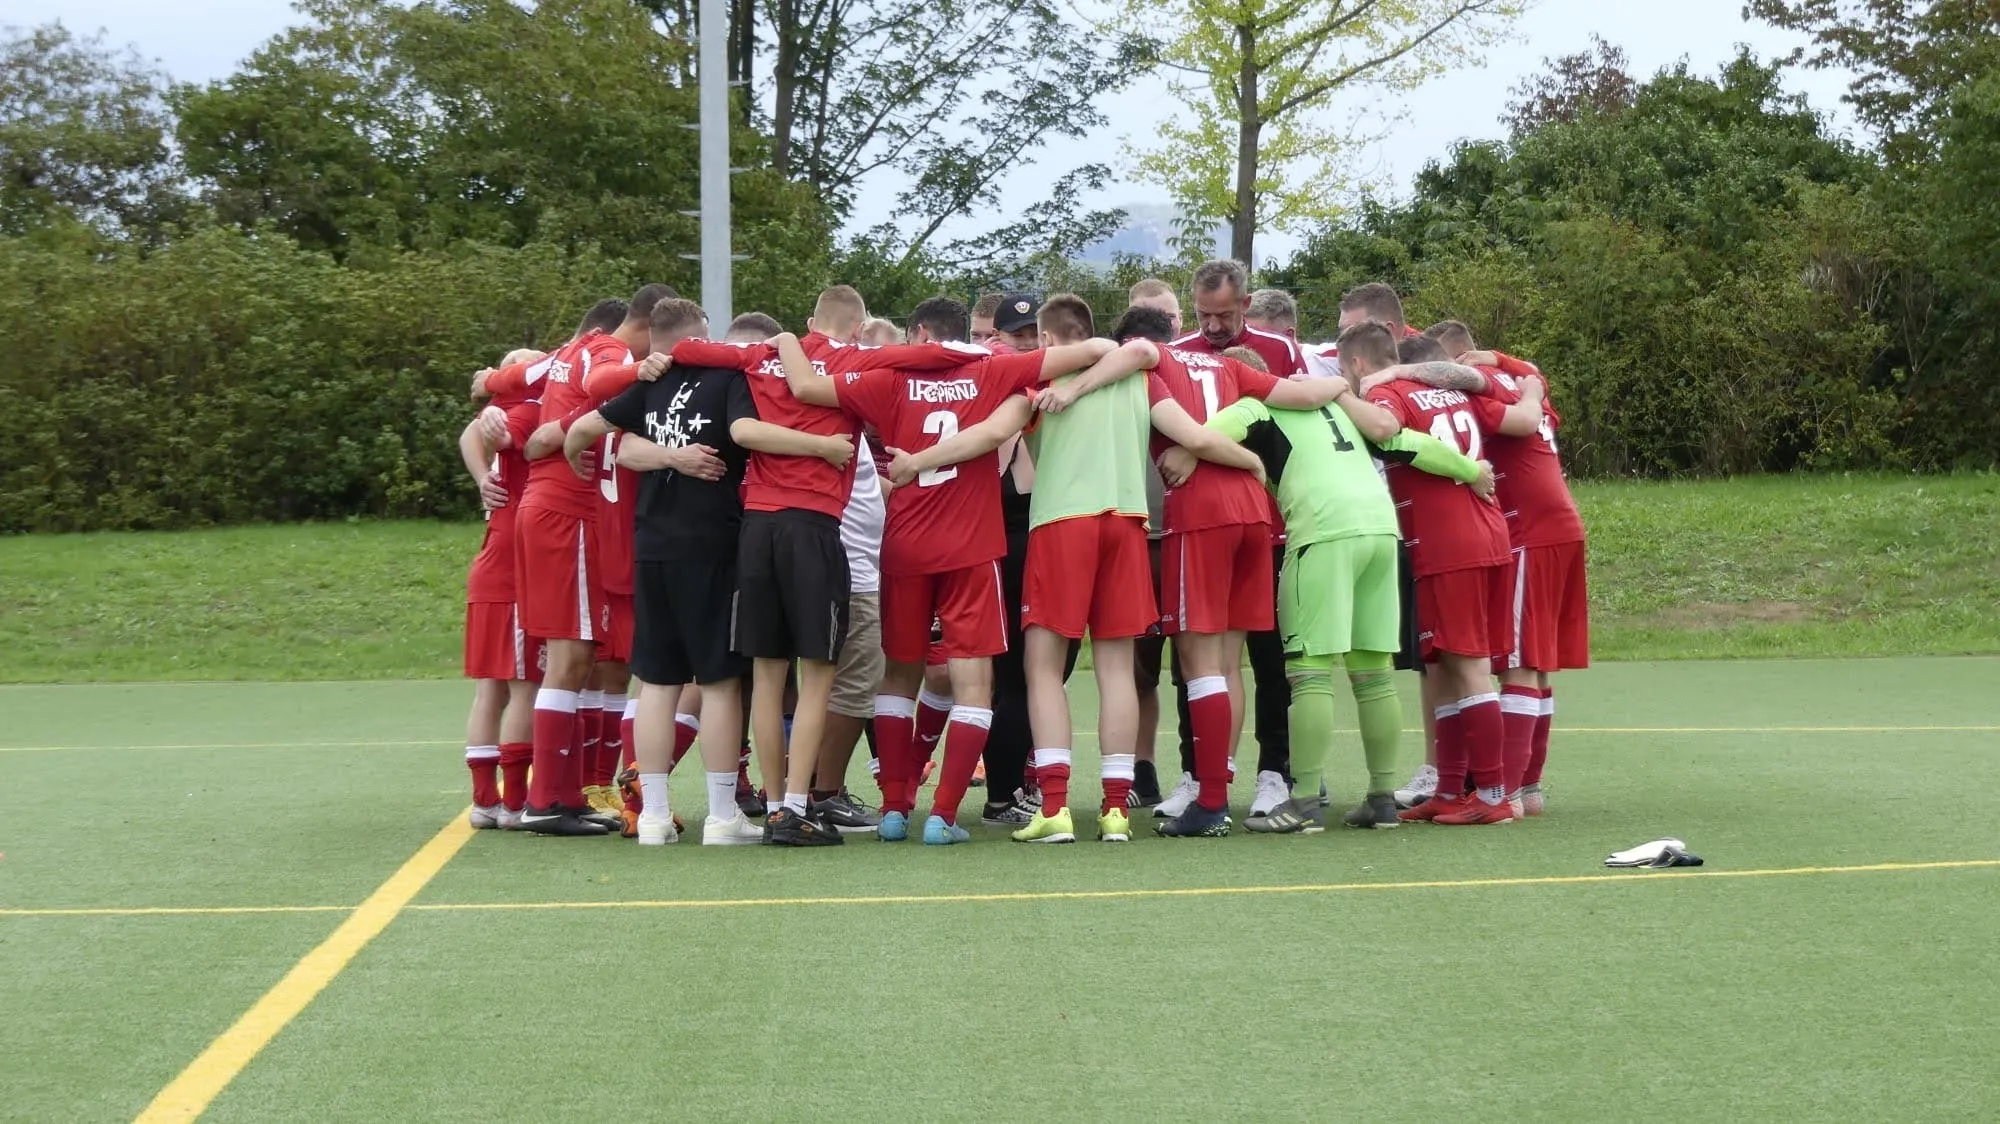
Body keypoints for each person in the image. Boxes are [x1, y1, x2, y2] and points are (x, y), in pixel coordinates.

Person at [790, 296, 1118, 844]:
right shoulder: (993, 370)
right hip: (970, 547)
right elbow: (1101, 348)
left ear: (919, 336)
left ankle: (895, 809)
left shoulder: (888, 378)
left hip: (905, 544)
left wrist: (785, 343)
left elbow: (804, 387)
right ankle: (943, 816)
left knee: (898, 678)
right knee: (973, 685)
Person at [1035, 305, 1349, 837]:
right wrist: (1343, 381)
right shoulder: (1230, 366)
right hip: (1254, 514)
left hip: (1202, 513)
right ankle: (1216, 785)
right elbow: (1306, 395)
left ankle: (1210, 799)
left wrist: (1075, 389)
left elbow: (1149, 369)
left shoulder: (1155, 361)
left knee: (1198, 662)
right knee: (1228, 663)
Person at [563, 301, 850, 845]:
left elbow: (590, 429)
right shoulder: (729, 379)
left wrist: (579, 455)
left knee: (657, 682)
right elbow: (746, 431)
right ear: (700, 337)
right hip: (713, 542)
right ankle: (722, 816)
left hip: (653, 543)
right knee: (718, 683)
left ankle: (653, 816)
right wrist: (821, 446)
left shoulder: (652, 380)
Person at [1209, 346, 1491, 829]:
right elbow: (1405, 441)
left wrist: (1211, 456)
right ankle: (1381, 798)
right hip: (1381, 533)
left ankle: (1303, 803)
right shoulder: (1335, 406)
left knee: (1310, 673)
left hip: (1323, 535)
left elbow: (1206, 436)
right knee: (1374, 674)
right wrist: (1471, 471)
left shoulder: (1254, 406)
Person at [489, 285, 670, 836]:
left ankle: (564, 795)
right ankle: (546, 799)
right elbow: (599, 384)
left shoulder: (573, 348)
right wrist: (639, 372)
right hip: (568, 513)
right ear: (648, 329)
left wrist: (490, 383)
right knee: (571, 654)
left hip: (556, 512)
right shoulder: (609, 352)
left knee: (580, 655)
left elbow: (521, 388)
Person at [1339, 320, 1518, 825]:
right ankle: (1449, 788)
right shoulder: (1449, 391)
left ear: (1357, 364)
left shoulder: (1390, 392)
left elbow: (1383, 428)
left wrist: (1340, 396)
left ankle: (1492, 795)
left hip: (1449, 543)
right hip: (1482, 531)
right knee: (1442, 665)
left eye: (1344, 371)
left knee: (1468, 664)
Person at [1410, 320, 1585, 815]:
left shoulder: (1480, 393)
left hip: (1529, 529)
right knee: (1536, 660)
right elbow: (1533, 378)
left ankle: (1501, 793)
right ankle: (1528, 788)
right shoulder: (1520, 379)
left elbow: (1518, 420)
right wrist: (1507, 364)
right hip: (1556, 526)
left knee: (1518, 661)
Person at [1169, 260, 1304, 826]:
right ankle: (1200, 772)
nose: (1213, 325)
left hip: (1271, 521)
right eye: (1204, 314)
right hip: (1204, 519)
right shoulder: (1179, 351)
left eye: (1224, 314)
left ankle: (1275, 772)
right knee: (1195, 659)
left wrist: (1199, 448)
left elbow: (1297, 421)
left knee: (1269, 659)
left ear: (1246, 305)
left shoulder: (1281, 350)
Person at [457, 347, 547, 829]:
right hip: (511, 571)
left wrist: (482, 475)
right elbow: (488, 431)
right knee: (522, 687)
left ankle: (485, 801)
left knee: (491, 691)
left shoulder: (507, 411)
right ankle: (511, 802)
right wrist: (483, 473)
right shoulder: (527, 410)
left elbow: (472, 432)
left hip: (495, 565)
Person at [1125, 279, 1187, 808]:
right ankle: (1140, 767)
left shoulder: (1195, 371)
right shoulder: (1117, 374)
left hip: (1188, 534)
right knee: (1137, 667)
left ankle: (1199, 772)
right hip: (1137, 536)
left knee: (1196, 665)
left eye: (1165, 317)